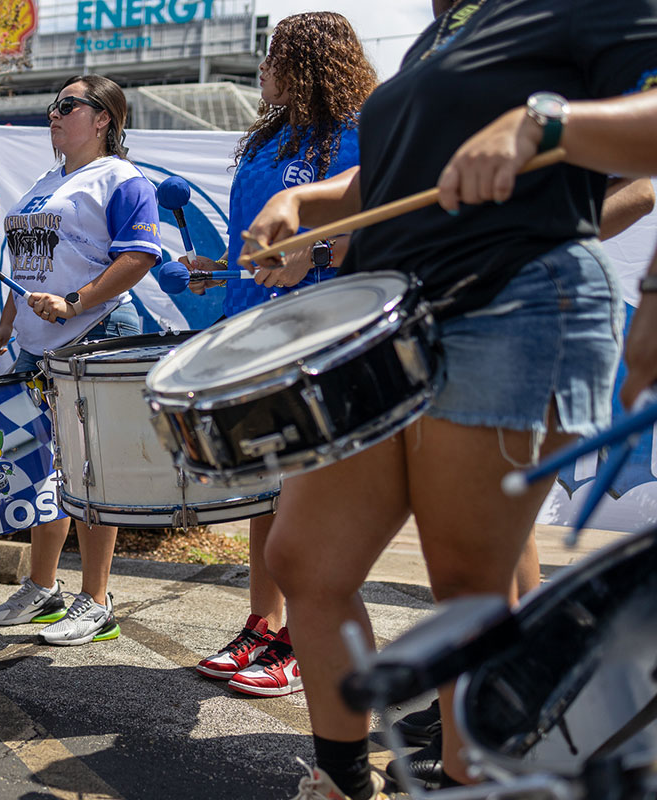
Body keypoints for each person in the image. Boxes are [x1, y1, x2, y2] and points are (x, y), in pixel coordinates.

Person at [239, 2, 657, 798]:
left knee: (469, 584)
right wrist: (310, 203)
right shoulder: (445, 30)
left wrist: (548, 125)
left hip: (513, 304)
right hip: (393, 315)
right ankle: (342, 780)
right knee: (306, 559)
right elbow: (394, 174)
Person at [184, 12, 376, 698]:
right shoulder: (269, 138)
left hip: (320, 334)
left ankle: (305, 637)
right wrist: (217, 266)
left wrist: (315, 253)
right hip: (253, 331)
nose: (262, 70)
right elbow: (254, 243)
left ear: (310, 62)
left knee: (308, 496)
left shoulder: (360, 132)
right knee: (265, 491)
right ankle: (263, 623)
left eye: (274, 58)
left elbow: (375, 231)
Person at [0, 75, 162, 646]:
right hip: (35, 344)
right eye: (53, 107)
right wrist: (8, 322)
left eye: (67, 106)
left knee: (91, 471)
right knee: (41, 468)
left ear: (103, 117)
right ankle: (43, 588)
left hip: (95, 331)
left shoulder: (122, 179)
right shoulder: (44, 180)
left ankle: (97, 598)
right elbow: (25, 259)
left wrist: (76, 302)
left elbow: (140, 256)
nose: (53, 115)